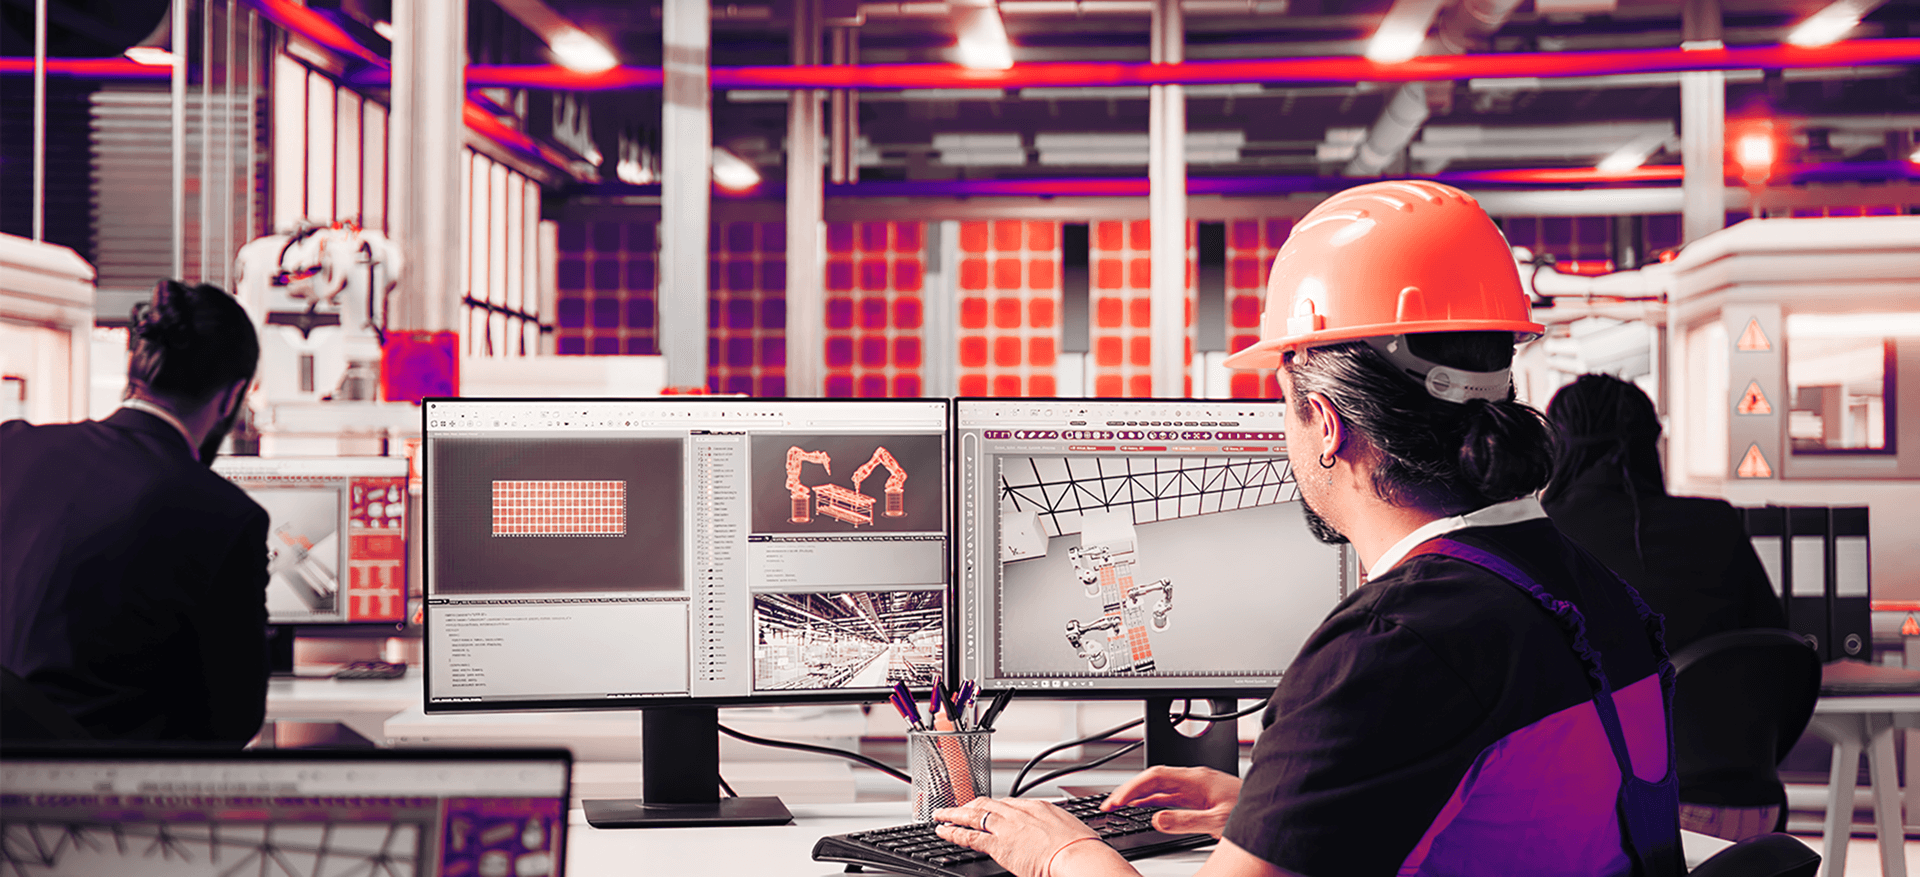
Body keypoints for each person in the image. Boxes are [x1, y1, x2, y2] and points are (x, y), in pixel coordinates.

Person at [933, 181, 1681, 877]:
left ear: (1325, 423)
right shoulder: (1589, 588)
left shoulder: (1390, 648)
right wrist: (1293, 807)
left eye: (1284, 404)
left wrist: (1059, 849)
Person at [2, 279, 269, 744]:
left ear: (135, 369)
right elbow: (233, 718)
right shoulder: (225, 515)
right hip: (109, 796)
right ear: (232, 396)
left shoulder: (12, 446)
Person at [1543, 372, 1786, 655]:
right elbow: (1775, 641)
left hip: (1603, 700)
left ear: (1560, 449)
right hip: (1719, 699)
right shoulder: (1716, 522)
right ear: (1650, 445)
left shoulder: (1542, 535)